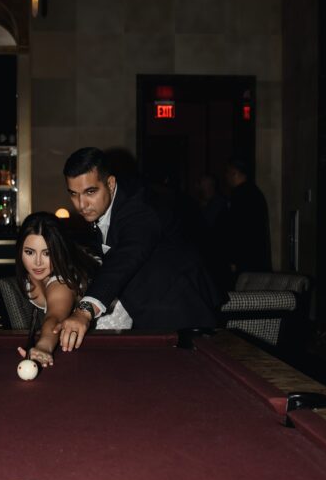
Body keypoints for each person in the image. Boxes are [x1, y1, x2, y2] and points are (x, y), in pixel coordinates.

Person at [55, 147, 222, 351]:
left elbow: (125, 257)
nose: (81, 204)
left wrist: (84, 311)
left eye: (90, 192)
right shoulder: (107, 205)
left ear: (110, 183)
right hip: (150, 314)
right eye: (74, 194)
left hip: (184, 313)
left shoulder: (140, 207)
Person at [15, 211, 98, 368]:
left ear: (58, 251)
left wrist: (43, 346)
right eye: (29, 252)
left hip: (108, 333)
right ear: (20, 251)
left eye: (47, 253)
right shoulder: (29, 275)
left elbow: (55, 317)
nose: (37, 262)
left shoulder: (62, 281)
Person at [223, 157, 271, 281]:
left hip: (245, 260)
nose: (225, 177)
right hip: (256, 257)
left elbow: (236, 229)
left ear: (234, 173)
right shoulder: (254, 192)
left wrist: (233, 259)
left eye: (227, 172)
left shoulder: (240, 195)